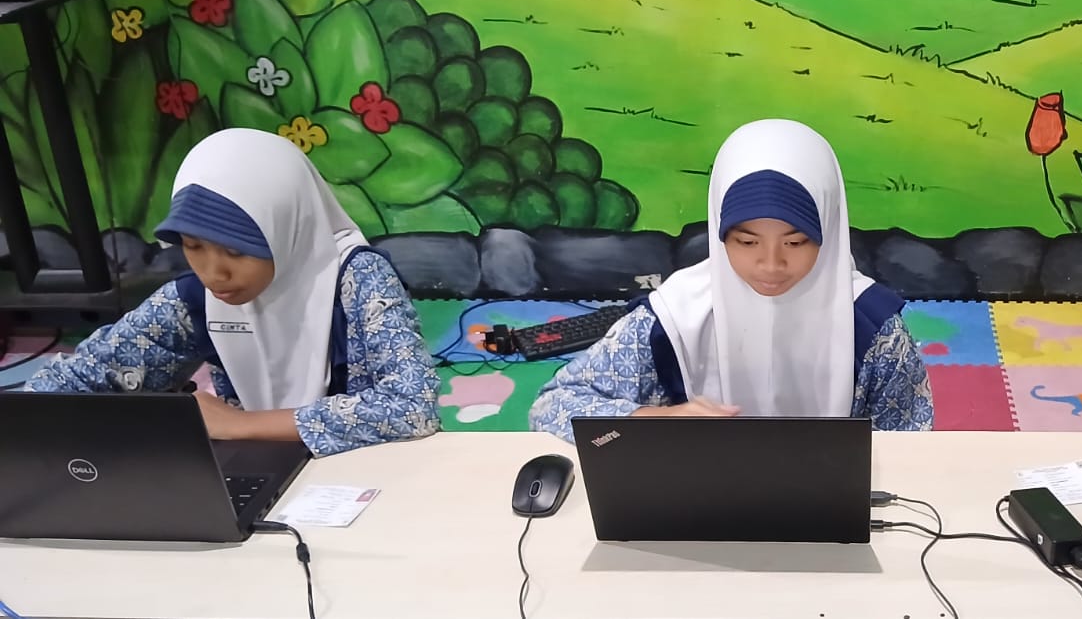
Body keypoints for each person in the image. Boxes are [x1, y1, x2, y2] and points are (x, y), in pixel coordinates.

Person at [25, 128, 440, 457]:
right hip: (255, 472)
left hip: (368, 476)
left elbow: (413, 408)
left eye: (237, 251)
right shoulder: (194, 299)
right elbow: (73, 382)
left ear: (287, 228)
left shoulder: (357, 278)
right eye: (193, 246)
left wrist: (238, 424)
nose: (213, 273)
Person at [530, 119, 934, 442]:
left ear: (829, 230)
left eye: (795, 242)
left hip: (835, 514)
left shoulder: (872, 328)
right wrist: (653, 419)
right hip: (694, 507)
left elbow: (915, 445)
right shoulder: (674, 318)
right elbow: (552, 407)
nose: (771, 265)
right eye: (747, 241)